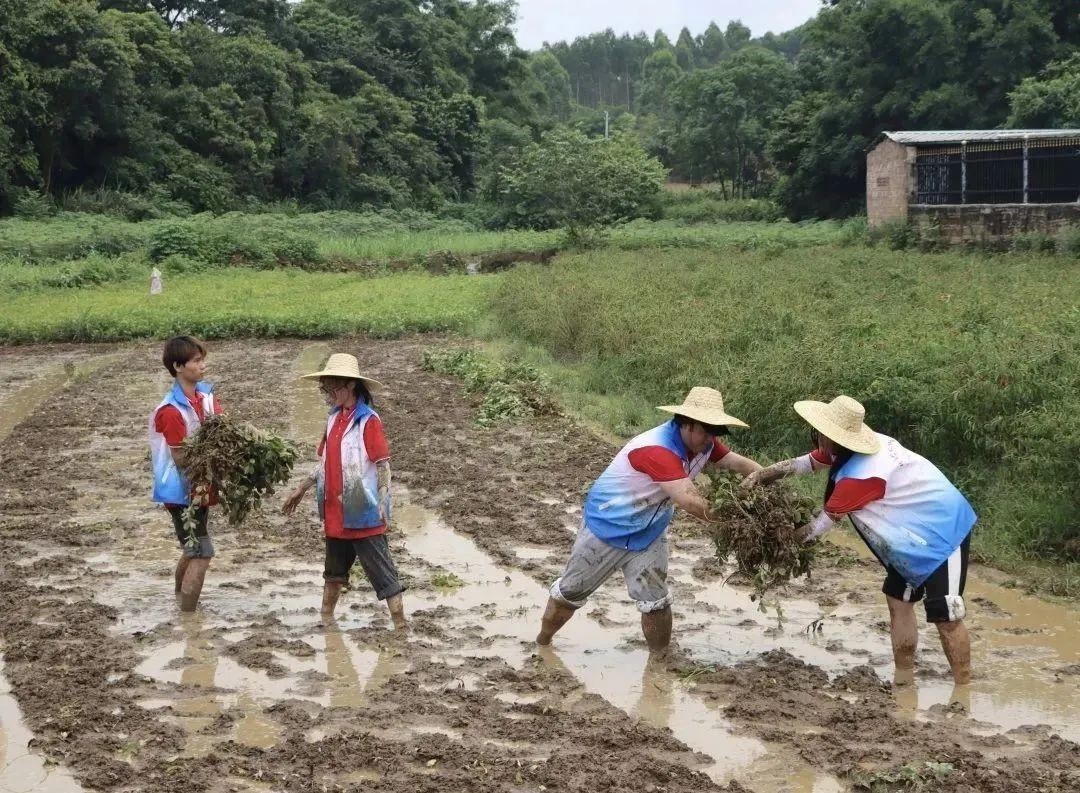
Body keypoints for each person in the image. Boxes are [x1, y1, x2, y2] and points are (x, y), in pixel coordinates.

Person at [742, 395, 976, 684]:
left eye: (820, 431)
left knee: (946, 616)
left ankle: (963, 690)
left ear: (832, 436)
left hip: (944, 531)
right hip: (909, 538)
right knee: (898, 600)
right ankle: (904, 679)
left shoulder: (861, 476)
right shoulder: (851, 448)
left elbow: (816, 528)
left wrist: (776, 542)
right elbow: (808, 462)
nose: (817, 436)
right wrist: (763, 475)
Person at [537, 387, 762, 654]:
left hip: (649, 532)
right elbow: (692, 502)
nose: (711, 438)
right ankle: (543, 643)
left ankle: (660, 662)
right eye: (706, 431)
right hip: (607, 529)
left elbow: (741, 465)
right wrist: (744, 519)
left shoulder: (704, 444)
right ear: (688, 424)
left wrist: (767, 482)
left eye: (716, 432)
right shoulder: (657, 449)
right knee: (570, 593)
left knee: (656, 603)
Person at [282, 353, 406, 629]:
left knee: (385, 576)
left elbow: (383, 465)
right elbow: (325, 463)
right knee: (333, 575)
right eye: (325, 388)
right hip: (335, 512)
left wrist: (383, 502)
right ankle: (326, 622)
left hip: (363, 512)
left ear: (350, 385)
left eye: (333, 387)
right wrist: (301, 488)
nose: (328, 394)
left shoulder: (367, 421)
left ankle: (401, 627)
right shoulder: (334, 419)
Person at [149, 336, 223, 612]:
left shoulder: (206, 397)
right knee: (202, 553)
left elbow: (222, 429)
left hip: (201, 486)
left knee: (192, 549)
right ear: (178, 366)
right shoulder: (170, 411)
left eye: (203, 360)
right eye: (196, 361)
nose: (203, 365)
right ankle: (189, 618)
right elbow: (181, 458)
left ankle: (179, 602)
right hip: (180, 491)